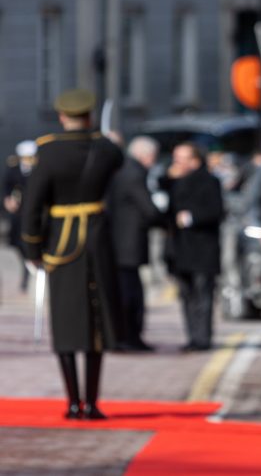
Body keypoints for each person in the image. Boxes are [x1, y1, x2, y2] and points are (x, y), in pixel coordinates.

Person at [20, 89, 124, 420]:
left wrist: (32, 247)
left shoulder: (49, 151)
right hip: (98, 238)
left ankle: (72, 403)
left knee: (66, 322)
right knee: (96, 321)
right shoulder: (107, 149)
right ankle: (92, 403)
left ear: (63, 117)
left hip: (61, 243)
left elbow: (32, 205)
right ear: (89, 116)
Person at [163, 142, 224, 352]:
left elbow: (216, 211)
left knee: (203, 295)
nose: (177, 163)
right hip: (181, 250)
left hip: (202, 250)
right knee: (186, 296)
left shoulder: (209, 181)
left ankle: (203, 338)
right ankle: (192, 336)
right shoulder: (174, 182)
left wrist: (191, 218)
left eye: (182, 158)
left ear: (195, 160)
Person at [109, 136, 162, 352]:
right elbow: (148, 209)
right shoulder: (134, 173)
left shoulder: (124, 170)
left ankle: (126, 337)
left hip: (120, 244)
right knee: (130, 295)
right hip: (127, 245)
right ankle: (129, 338)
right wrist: (165, 221)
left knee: (127, 291)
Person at [4, 140, 37, 292]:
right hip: (18, 214)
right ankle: (26, 263)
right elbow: (6, 187)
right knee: (18, 244)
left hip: (33, 213)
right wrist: (7, 200)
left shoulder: (38, 171)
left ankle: (27, 273)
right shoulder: (13, 170)